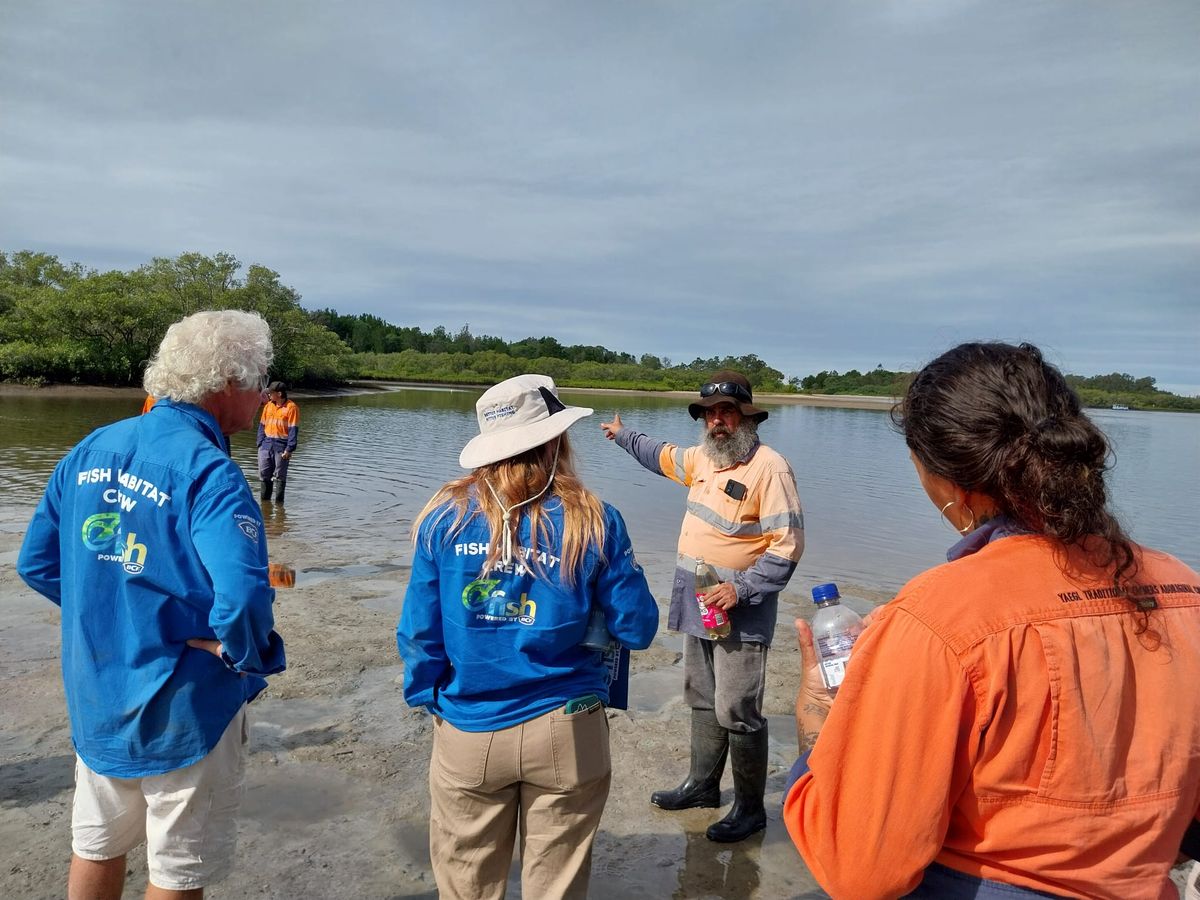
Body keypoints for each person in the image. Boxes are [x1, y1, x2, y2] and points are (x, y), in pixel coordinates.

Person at [784, 341, 1200, 899]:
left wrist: (817, 727)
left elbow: (861, 872)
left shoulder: (936, 617)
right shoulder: (1183, 586)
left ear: (949, 481)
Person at [17, 309, 287, 900]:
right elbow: (242, 601)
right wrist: (242, 653)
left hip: (97, 692)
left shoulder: (91, 446)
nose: (265, 395)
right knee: (177, 872)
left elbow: (36, 564)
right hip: (185, 708)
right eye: (260, 381)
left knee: (95, 845)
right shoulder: (212, 474)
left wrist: (106, 605)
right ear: (227, 386)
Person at [398, 374, 659, 899]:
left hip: (469, 725)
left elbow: (419, 632)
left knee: (468, 886)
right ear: (556, 440)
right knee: (555, 888)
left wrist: (431, 700)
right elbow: (637, 627)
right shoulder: (596, 519)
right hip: (567, 725)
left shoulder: (443, 517)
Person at [601, 369, 804, 843]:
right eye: (711, 413)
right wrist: (621, 435)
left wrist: (742, 589)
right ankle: (701, 788)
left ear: (747, 418)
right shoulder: (702, 459)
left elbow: (787, 545)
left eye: (727, 413)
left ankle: (750, 809)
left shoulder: (770, 467)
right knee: (700, 694)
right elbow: (660, 455)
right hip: (696, 594)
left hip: (740, 603)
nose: (717, 421)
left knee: (737, 706)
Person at [257, 380, 299, 503]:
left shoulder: (291, 408)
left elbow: (293, 430)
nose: (269, 395)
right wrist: (260, 444)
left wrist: (289, 448)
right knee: (264, 474)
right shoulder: (268, 406)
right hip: (266, 444)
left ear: (279, 394)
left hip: (282, 445)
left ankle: (279, 507)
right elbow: (261, 426)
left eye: (271, 393)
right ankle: (265, 505)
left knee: (280, 476)